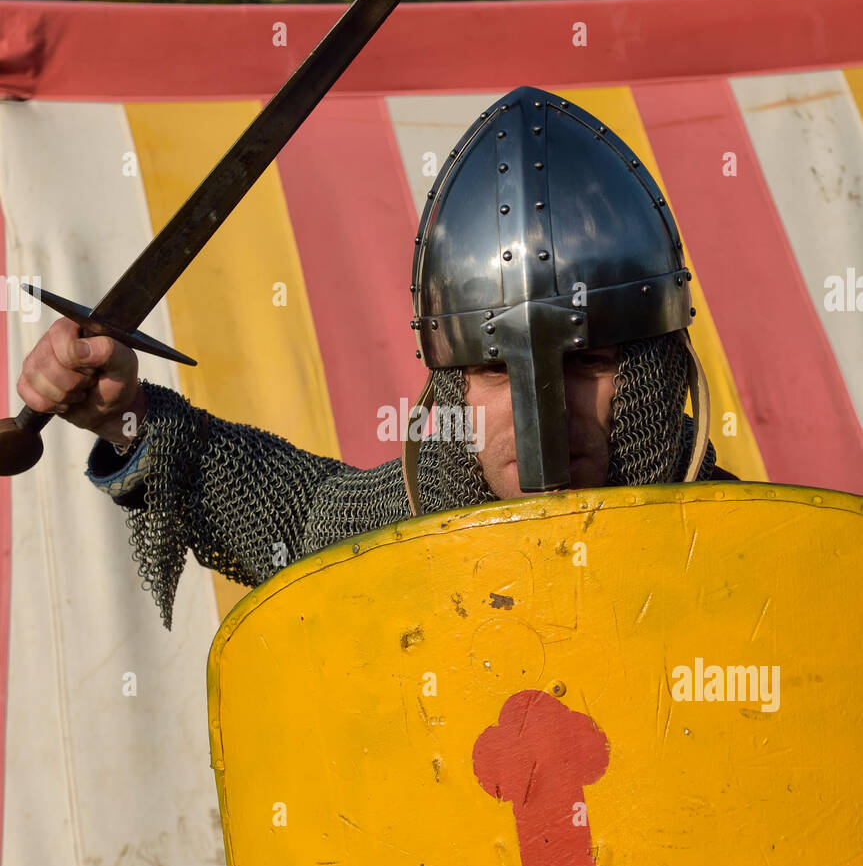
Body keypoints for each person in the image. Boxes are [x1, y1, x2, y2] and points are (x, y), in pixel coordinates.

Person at [15, 87, 736, 629]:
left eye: (588, 363)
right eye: (492, 370)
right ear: (449, 385)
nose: (535, 408)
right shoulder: (390, 529)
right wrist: (127, 419)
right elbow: (280, 513)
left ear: (653, 373)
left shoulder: (746, 551)